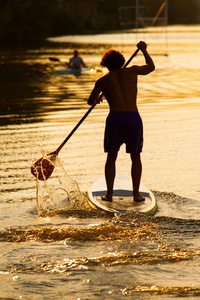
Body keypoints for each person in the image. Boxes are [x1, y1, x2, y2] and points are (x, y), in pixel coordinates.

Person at [87, 41, 155, 203]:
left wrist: (97, 99)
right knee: (135, 156)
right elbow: (151, 67)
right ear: (123, 62)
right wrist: (144, 50)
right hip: (133, 118)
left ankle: (109, 195)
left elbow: (90, 101)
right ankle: (136, 195)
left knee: (111, 156)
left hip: (115, 119)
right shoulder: (132, 72)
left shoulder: (103, 81)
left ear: (105, 64)